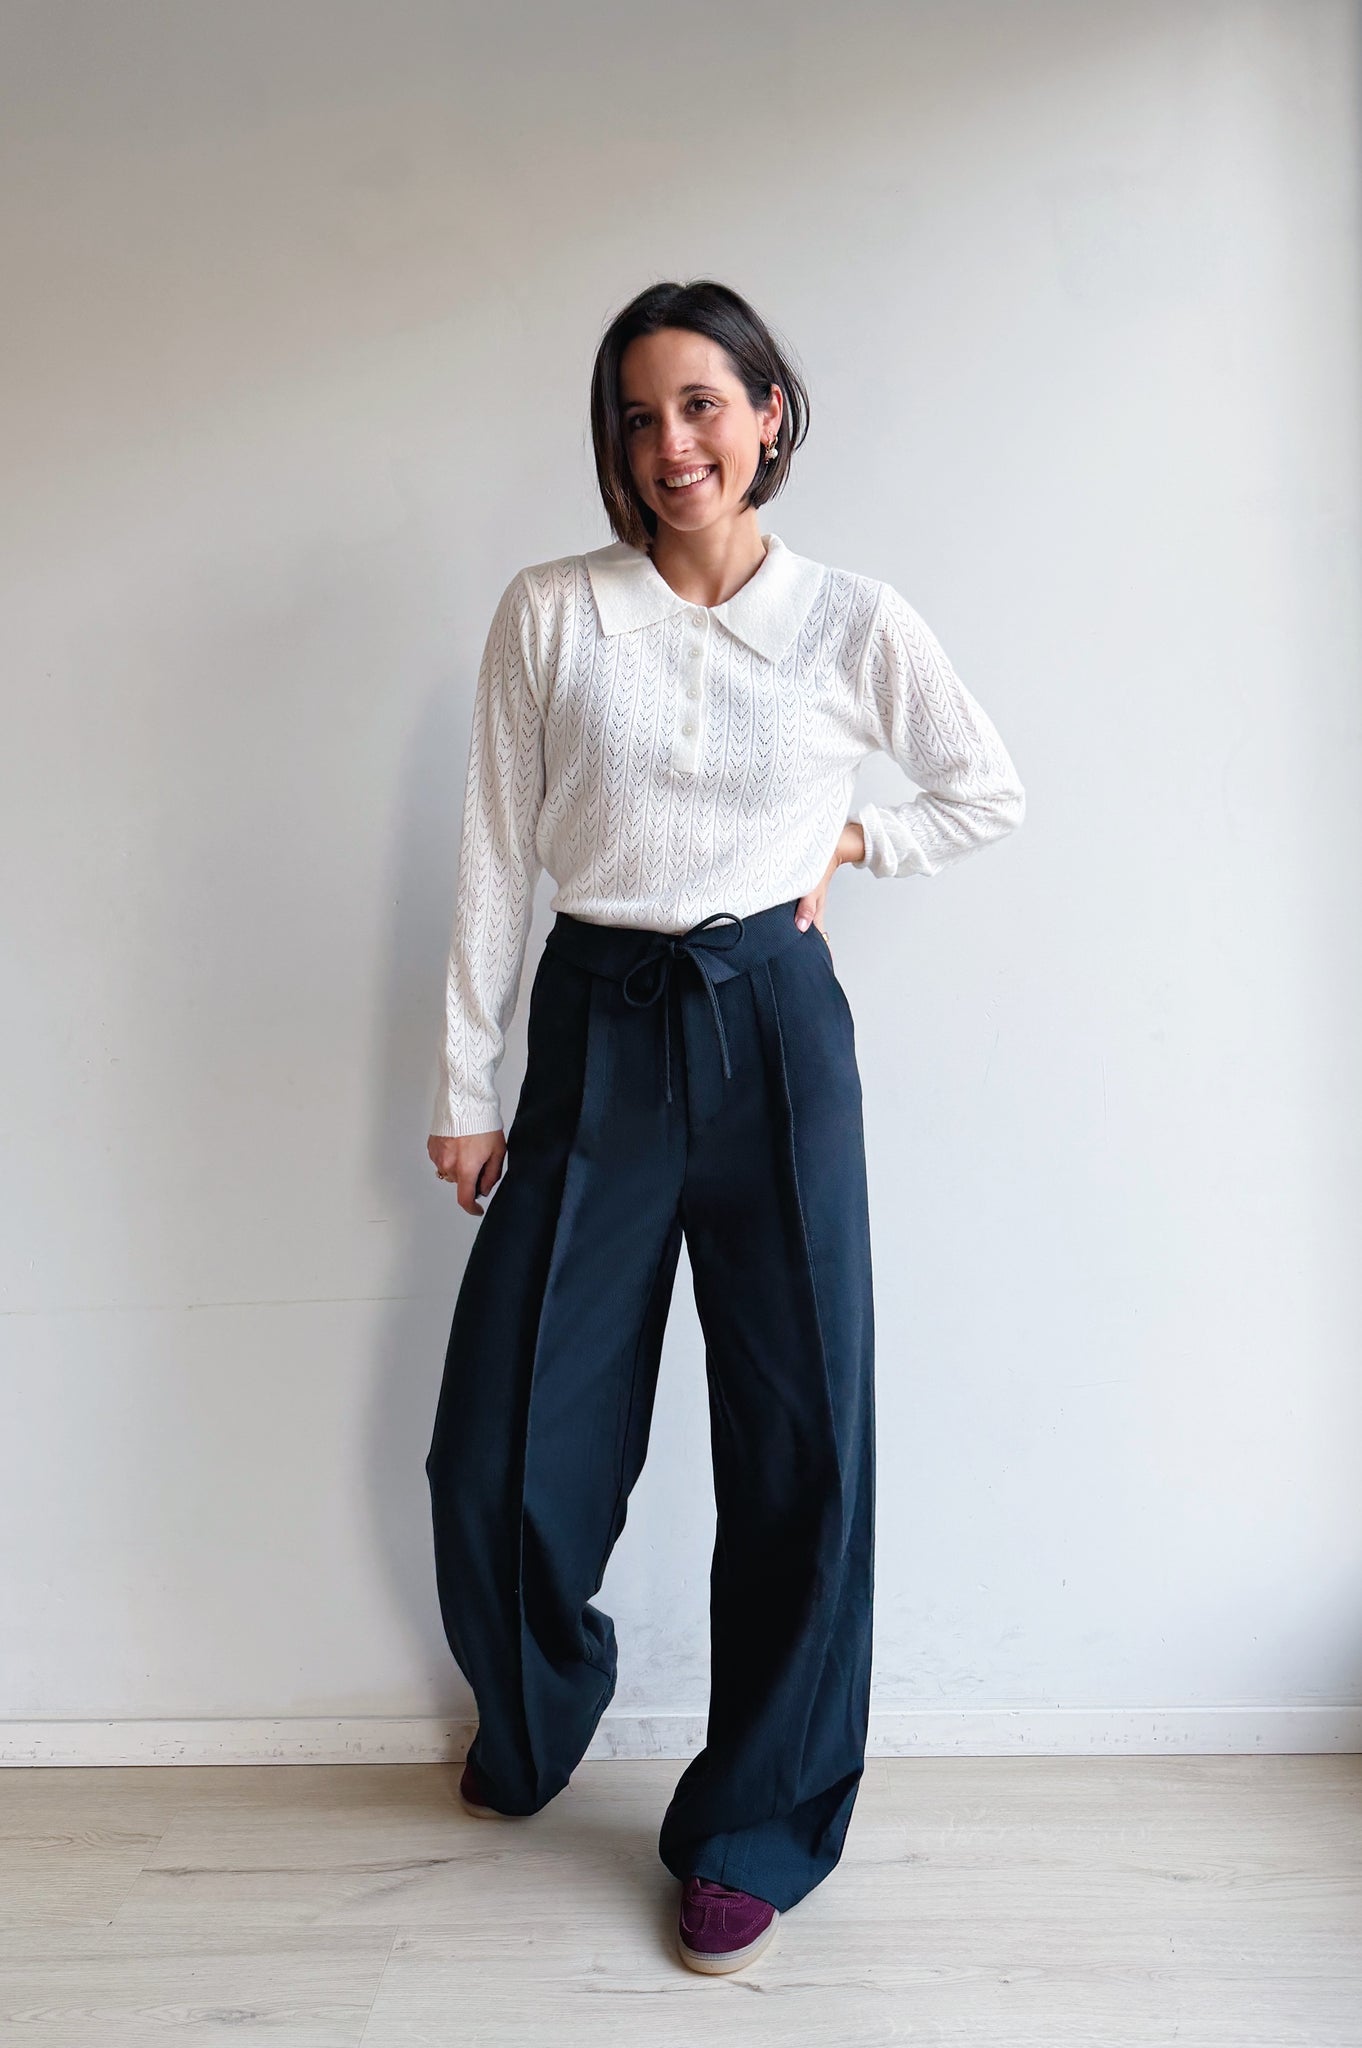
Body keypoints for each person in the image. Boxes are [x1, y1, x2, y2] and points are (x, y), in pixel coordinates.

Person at [423, 278, 1025, 1976]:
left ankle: (755, 1826)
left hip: (771, 1028)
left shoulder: (852, 620)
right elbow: (494, 854)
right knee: (501, 1449)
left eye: (701, 403)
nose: (669, 443)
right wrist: (464, 1087)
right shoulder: (553, 613)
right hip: (595, 1028)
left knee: (800, 1444)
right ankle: (539, 1711)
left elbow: (982, 788)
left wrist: (853, 844)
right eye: (637, 415)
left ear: (769, 413)